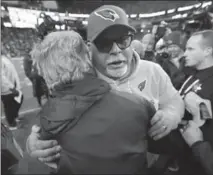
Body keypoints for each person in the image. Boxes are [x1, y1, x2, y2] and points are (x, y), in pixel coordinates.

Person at [26, 5, 184, 168]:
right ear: (88, 48)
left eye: (123, 40)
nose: (116, 50)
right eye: (104, 43)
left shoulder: (152, 70)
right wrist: (33, 142)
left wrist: (171, 115)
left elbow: (174, 100)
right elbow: (52, 117)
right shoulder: (78, 80)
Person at [16, 30, 162, 174]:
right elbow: (170, 146)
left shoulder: (46, 120)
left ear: (47, 72)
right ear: (88, 58)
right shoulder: (137, 103)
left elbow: (37, 164)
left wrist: (31, 145)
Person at [177, 30, 213, 175]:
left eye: (190, 49)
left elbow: (207, 117)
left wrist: (202, 109)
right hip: (188, 152)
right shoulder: (193, 73)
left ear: (208, 51)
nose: (185, 53)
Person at [1, 55, 24, 130]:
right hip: (7, 88)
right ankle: (12, 124)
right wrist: (12, 87)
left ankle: (14, 116)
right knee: (9, 106)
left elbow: (12, 71)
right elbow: (1, 77)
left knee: (18, 99)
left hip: (12, 85)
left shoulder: (3, 57)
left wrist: (17, 84)